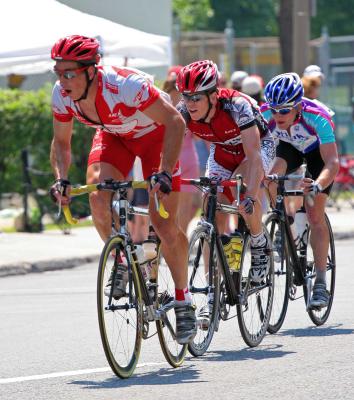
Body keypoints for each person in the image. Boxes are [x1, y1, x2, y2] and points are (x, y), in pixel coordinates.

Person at [49, 35, 196, 344]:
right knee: (97, 196)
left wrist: (165, 172)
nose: (62, 80)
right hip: (114, 137)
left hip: (156, 136)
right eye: (58, 72)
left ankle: (183, 301)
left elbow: (175, 122)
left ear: (91, 70)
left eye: (69, 73)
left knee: (165, 225)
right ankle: (124, 262)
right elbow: (61, 143)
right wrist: (61, 178)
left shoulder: (124, 86)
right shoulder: (61, 95)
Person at [176, 60, 275, 284]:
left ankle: (259, 244)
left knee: (240, 191)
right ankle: (214, 286)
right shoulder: (183, 111)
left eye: (196, 98)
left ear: (213, 96)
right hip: (222, 151)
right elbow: (169, 148)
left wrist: (250, 195)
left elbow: (254, 156)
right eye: (185, 96)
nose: (190, 104)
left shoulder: (237, 106)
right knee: (212, 206)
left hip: (256, 149)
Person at [261, 72, 339, 309]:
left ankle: (321, 283)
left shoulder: (318, 118)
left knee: (314, 212)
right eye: (274, 110)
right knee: (271, 178)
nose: (277, 115)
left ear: (297, 106)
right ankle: (285, 222)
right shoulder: (264, 114)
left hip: (318, 154)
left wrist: (316, 185)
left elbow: (332, 163)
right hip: (290, 146)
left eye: (284, 110)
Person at [162, 66, 201, 234]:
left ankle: (168, 243)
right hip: (189, 157)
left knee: (165, 207)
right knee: (186, 208)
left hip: (169, 156)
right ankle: (181, 241)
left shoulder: (162, 101)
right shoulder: (188, 103)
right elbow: (198, 136)